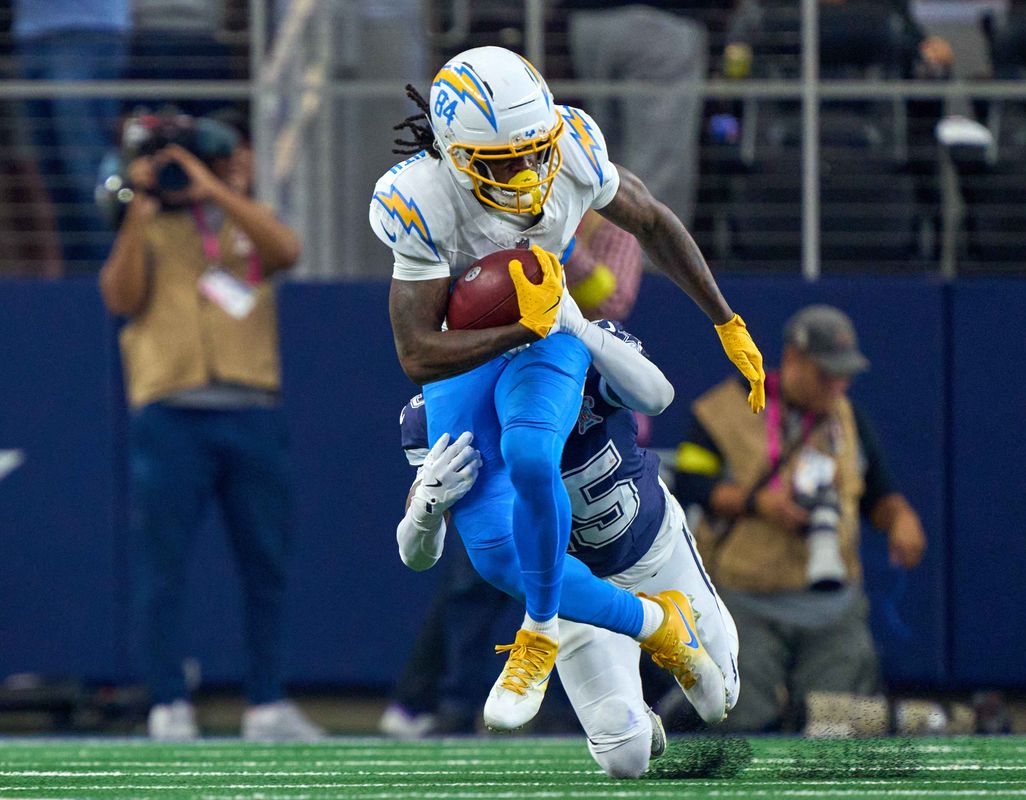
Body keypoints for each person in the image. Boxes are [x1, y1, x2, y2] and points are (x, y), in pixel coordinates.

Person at [368, 46, 766, 731]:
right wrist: (515, 329)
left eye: (533, 152)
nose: (525, 174)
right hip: (473, 353)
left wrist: (724, 319)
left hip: (550, 333)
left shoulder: (574, 146)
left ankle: (543, 627)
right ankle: (637, 624)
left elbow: (653, 222)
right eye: (500, 164)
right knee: (494, 555)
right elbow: (417, 352)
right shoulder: (420, 198)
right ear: (457, 156)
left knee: (530, 456)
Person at [395, 320, 740, 778]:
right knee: (625, 761)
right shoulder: (445, 406)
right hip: (575, 589)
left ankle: (658, 626)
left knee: (723, 699)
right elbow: (418, 557)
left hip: (652, 549)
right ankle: (638, 709)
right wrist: (424, 510)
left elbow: (657, 396)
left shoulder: (577, 349)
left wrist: (582, 330)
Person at [98, 112, 322, 742]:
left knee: (265, 562)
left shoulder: (237, 220)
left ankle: (266, 703)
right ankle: (168, 701)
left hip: (250, 409)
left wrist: (213, 190)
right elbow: (118, 298)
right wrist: (141, 202)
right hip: (170, 415)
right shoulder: (141, 224)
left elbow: (288, 251)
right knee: (162, 566)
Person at [674, 304, 927, 733]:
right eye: (827, 374)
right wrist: (757, 504)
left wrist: (901, 518)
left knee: (837, 723)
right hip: (746, 599)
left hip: (832, 605)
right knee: (741, 723)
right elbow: (689, 484)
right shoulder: (721, 411)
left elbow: (879, 494)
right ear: (792, 359)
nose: (838, 385)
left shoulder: (849, 419)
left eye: (845, 375)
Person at [561, 2, 709, 230]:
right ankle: (642, 263)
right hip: (660, 20)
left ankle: (605, 260)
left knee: (600, 158)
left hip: (589, 21)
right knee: (658, 167)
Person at [13, 0, 131, 272]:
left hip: (87, 29)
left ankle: (114, 273)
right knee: (51, 173)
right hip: (31, 33)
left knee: (84, 167)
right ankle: (77, 280)